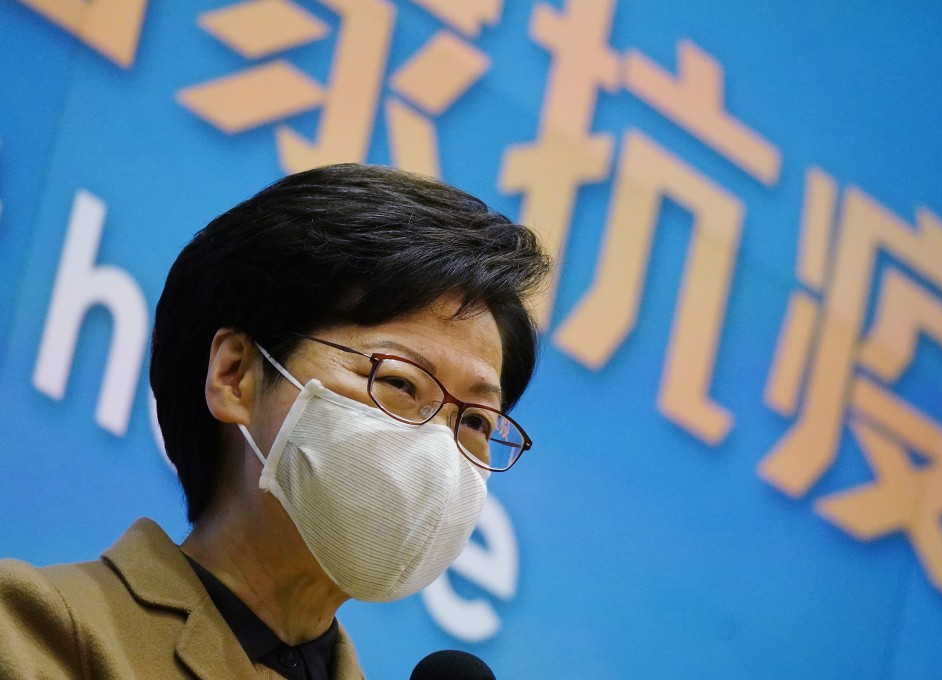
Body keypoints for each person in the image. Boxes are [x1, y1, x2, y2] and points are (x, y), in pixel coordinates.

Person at [0, 164, 550, 679]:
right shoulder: (37, 633)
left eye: (476, 422)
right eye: (400, 384)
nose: (437, 449)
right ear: (235, 374)